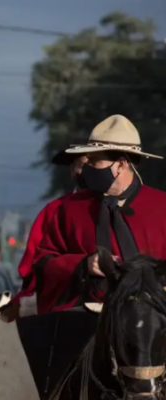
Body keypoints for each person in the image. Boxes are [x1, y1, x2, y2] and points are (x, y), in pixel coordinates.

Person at [33, 114, 166, 314]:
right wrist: (82, 265)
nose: (87, 166)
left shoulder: (161, 207)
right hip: (85, 323)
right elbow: (42, 264)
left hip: (154, 324)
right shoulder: (67, 210)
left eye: (95, 161)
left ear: (121, 164)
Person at [1, 145, 88, 320]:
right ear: (72, 169)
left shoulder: (124, 207)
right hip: (59, 301)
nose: (92, 170)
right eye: (84, 164)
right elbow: (34, 263)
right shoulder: (55, 210)